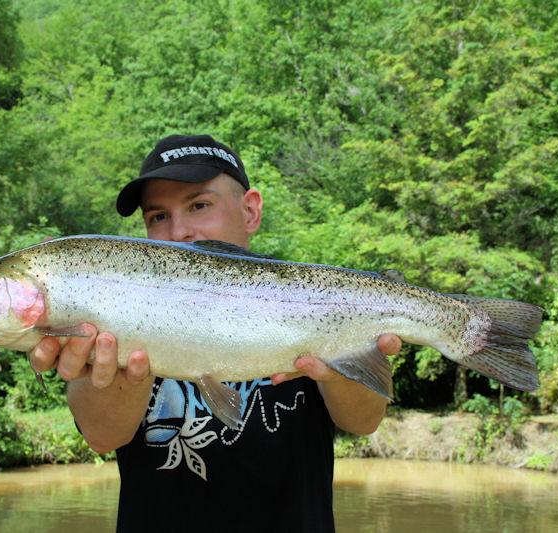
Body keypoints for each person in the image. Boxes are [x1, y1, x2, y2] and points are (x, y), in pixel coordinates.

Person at [29, 134, 402, 532]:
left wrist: (338, 368)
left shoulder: (310, 300)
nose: (180, 231)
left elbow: (364, 421)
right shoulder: (115, 315)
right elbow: (103, 437)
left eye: (199, 205)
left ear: (250, 211)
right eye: (158, 216)